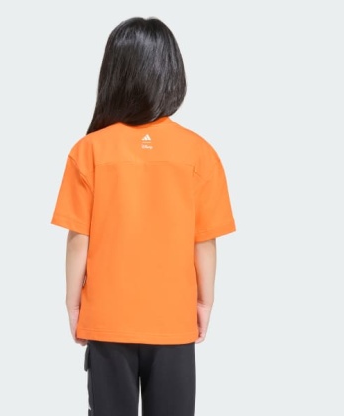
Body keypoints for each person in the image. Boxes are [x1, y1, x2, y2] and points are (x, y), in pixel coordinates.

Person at [51, 16, 236, 416]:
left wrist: (73, 304)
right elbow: (204, 240)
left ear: (113, 74)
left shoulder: (89, 150)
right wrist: (205, 303)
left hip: (107, 317)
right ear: (173, 73)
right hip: (172, 320)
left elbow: (78, 238)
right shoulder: (199, 152)